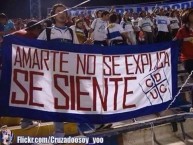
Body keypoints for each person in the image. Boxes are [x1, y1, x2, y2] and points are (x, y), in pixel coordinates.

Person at [13, 20, 43, 129]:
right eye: (39, 30)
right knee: (29, 95)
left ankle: (27, 119)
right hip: (28, 71)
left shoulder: (16, 34)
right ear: (36, 29)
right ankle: (26, 121)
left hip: (15, 70)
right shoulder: (34, 39)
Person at [174, 9, 193, 76]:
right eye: (192, 15)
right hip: (187, 59)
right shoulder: (182, 30)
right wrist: (186, 39)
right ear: (187, 17)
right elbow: (175, 41)